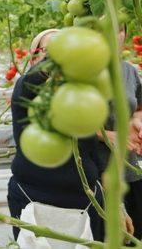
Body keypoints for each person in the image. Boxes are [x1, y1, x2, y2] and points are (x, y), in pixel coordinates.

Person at [7, 29, 106, 241]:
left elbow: (95, 154)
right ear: (34, 58)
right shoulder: (25, 87)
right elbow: (34, 80)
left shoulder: (80, 98)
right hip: (32, 199)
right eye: (50, 51)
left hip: (86, 201)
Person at [96, 25, 142, 240]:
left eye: (118, 29)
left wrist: (137, 122)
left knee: (136, 234)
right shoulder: (82, 72)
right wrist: (106, 135)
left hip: (132, 168)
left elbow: (138, 107)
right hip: (101, 172)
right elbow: (71, 121)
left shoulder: (129, 70)